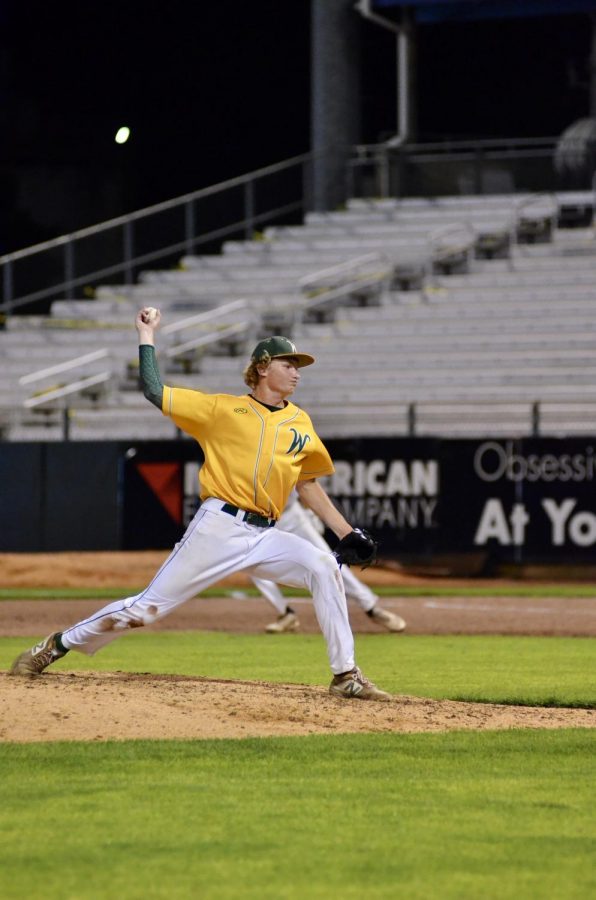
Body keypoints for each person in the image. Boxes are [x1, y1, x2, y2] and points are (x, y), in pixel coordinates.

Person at [10, 308, 392, 701]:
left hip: (267, 534)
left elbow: (307, 484)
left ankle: (345, 674)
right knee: (144, 611)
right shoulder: (221, 410)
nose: (296, 371)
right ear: (262, 368)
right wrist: (146, 335)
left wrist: (347, 532)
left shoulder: (301, 422)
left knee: (325, 566)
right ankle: (56, 645)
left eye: (298, 366)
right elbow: (154, 390)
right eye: (288, 363)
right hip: (219, 527)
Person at [253, 492, 406, 634]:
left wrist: (310, 513)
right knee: (251, 564)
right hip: (260, 520)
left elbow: (304, 482)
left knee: (330, 562)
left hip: (291, 516)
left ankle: (371, 607)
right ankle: (285, 614)